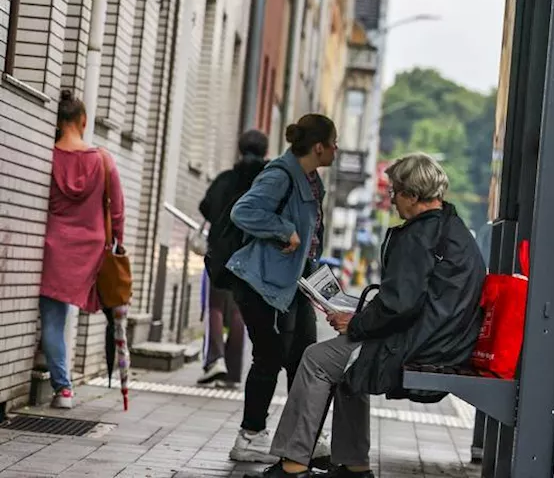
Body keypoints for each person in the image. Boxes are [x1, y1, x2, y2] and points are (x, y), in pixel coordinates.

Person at [255, 153, 485, 478]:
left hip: (421, 346)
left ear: (413, 195)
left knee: (318, 359)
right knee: (347, 362)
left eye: (395, 192)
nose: (392, 201)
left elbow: (401, 305)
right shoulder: (452, 228)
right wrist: (360, 318)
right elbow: (412, 301)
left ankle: (292, 465)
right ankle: (353, 466)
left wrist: (357, 322)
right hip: (442, 339)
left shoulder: (419, 237)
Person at [225, 115, 337, 464]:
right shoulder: (281, 174)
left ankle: (301, 438)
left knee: (306, 360)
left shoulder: (311, 180)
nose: (337, 150)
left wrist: (322, 283)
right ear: (318, 147)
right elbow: (242, 211)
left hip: (295, 285)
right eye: (334, 143)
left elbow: (311, 242)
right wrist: (283, 228)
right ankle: (250, 436)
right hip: (262, 283)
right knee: (270, 358)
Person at [39, 91, 125, 410]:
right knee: (66, 316)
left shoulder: (48, 157)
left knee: (51, 320)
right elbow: (117, 208)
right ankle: (62, 379)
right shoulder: (101, 159)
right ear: (83, 121)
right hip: (91, 250)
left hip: (53, 246)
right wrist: (118, 240)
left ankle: (62, 389)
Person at [196, 130, 271, 387]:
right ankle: (233, 373)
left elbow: (205, 207)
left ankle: (215, 360)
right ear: (265, 152)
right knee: (241, 308)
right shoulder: (266, 183)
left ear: (239, 149)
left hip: (219, 250)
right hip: (250, 254)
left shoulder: (226, 179)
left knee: (216, 305)